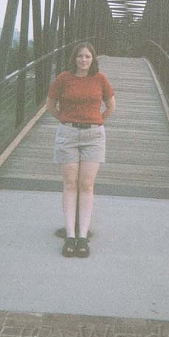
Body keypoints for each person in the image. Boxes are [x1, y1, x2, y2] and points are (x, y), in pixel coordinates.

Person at [46, 42, 116, 258]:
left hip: (93, 137)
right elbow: (50, 105)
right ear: (74, 58)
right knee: (70, 184)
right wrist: (65, 120)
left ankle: (83, 237)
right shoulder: (63, 78)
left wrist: (97, 121)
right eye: (80, 56)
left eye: (87, 56)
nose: (83, 60)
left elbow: (111, 106)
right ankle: (70, 236)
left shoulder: (100, 79)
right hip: (68, 134)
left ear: (93, 59)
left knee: (86, 185)